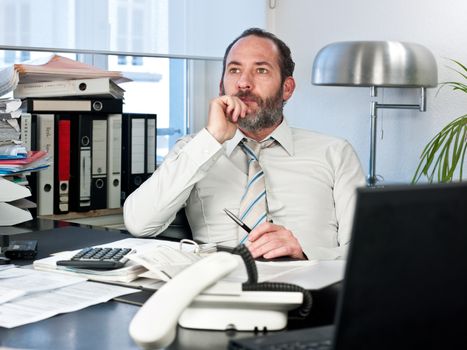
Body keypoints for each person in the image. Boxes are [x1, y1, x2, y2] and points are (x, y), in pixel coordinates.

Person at [123, 28, 365, 260]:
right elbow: (139, 224)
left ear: (287, 88)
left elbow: (365, 249)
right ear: (221, 87)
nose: (244, 83)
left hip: (314, 292)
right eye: (234, 70)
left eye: (261, 70)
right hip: (222, 291)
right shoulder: (195, 149)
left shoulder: (334, 153)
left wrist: (306, 253)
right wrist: (212, 138)